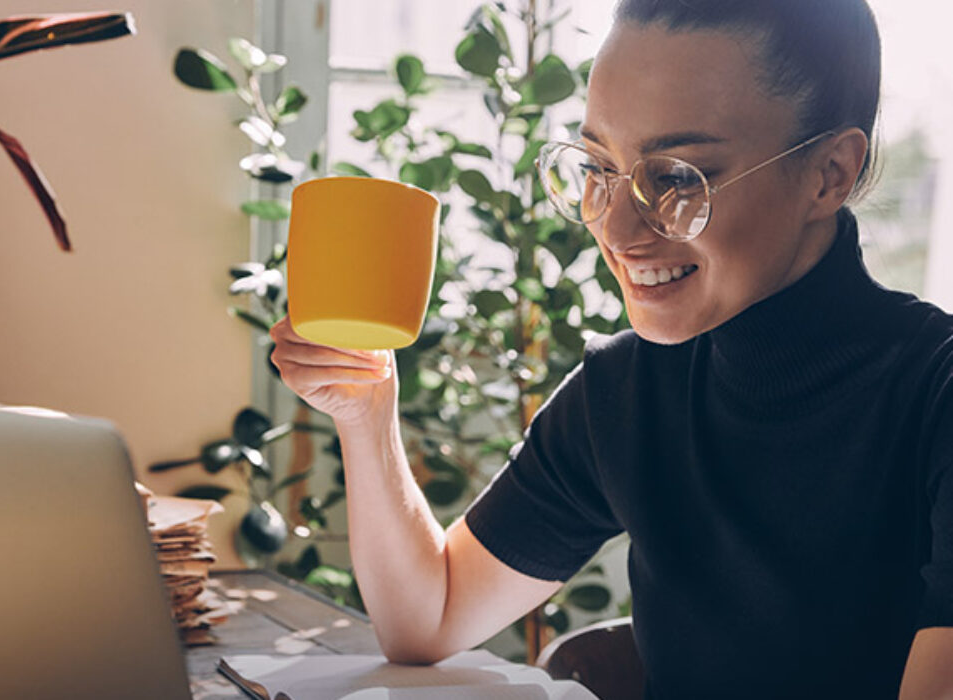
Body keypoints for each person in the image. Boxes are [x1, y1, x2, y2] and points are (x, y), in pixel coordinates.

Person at [268, 0, 953, 696]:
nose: (617, 228)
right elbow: (428, 616)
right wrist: (365, 411)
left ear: (830, 173)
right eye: (598, 164)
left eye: (679, 176)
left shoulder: (937, 397)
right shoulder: (627, 389)